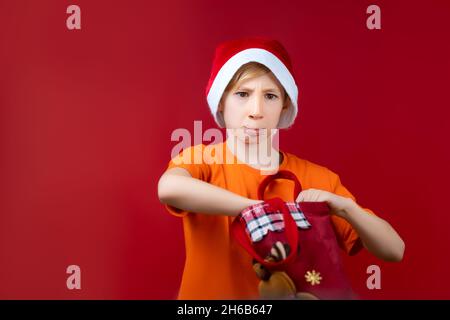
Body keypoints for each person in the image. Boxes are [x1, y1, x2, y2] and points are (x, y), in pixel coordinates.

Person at [157, 37, 405, 300]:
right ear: (221, 101)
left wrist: (346, 208)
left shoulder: (317, 178)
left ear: (285, 105)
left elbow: (394, 250)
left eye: (270, 96)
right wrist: (257, 211)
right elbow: (169, 188)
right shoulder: (203, 160)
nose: (256, 111)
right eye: (242, 94)